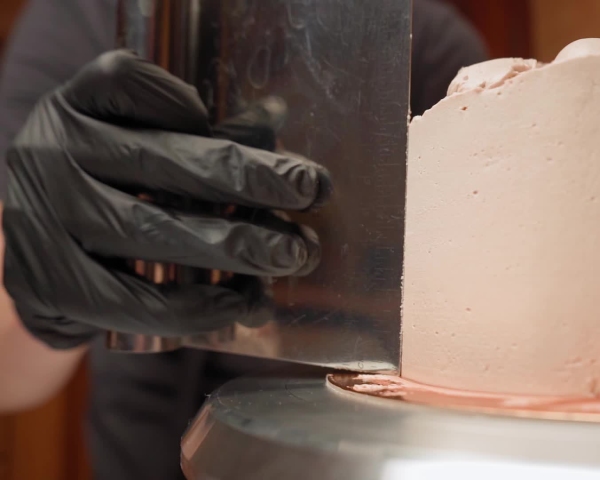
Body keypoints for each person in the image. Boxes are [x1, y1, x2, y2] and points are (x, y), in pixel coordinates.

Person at [0, 0, 488, 478]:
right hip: (139, 447)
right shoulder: (82, 17)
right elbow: (8, 374)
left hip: (347, 453)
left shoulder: (424, 44)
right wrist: (41, 279)